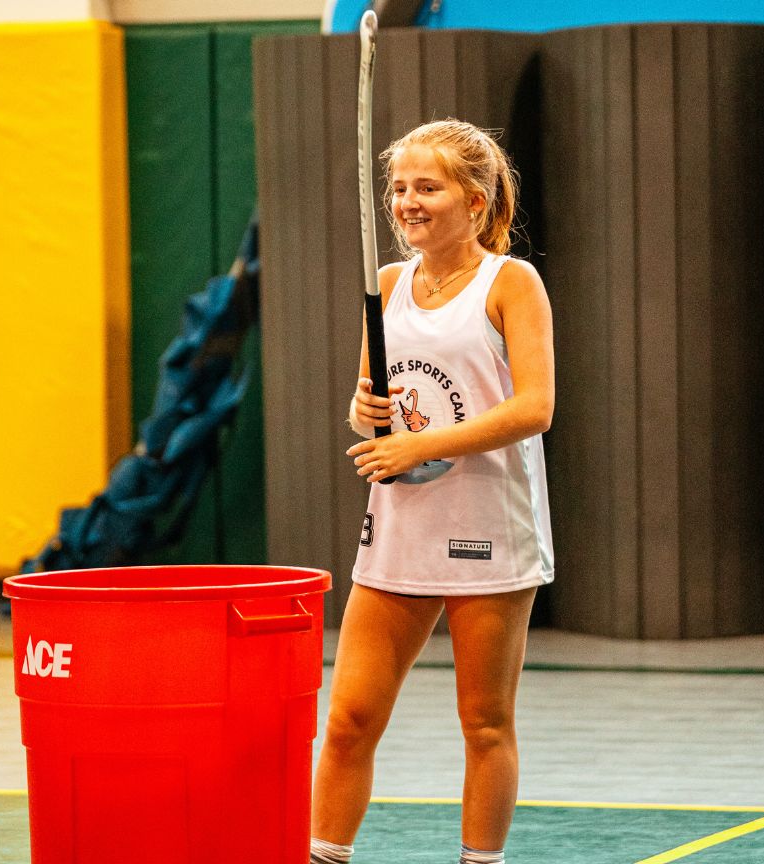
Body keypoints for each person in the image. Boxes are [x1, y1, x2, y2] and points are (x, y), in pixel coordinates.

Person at [308, 119, 555, 864]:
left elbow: (534, 408)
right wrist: (367, 415)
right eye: (399, 188)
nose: (406, 202)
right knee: (349, 718)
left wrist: (419, 443)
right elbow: (368, 401)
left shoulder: (512, 283)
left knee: (484, 724)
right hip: (399, 526)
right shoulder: (384, 286)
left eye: (427, 187)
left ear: (474, 201)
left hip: (488, 526)